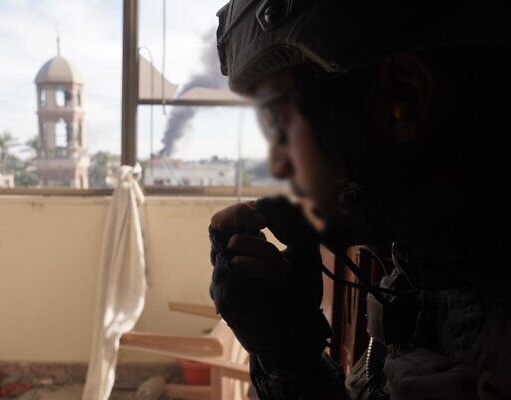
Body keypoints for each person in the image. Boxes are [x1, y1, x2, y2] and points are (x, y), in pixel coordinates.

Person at [207, 1, 511, 399]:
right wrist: (289, 358)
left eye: (281, 125)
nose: (279, 166)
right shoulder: (427, 269)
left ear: (403, 95)